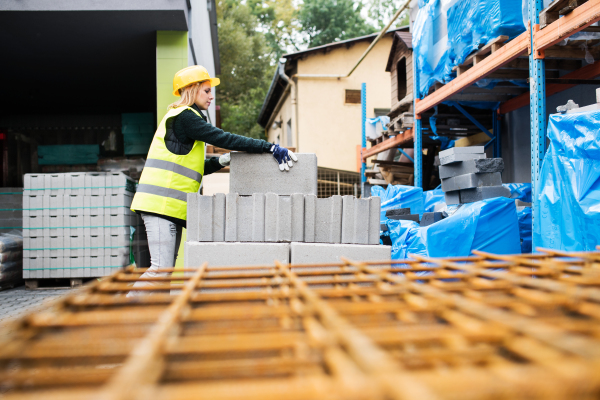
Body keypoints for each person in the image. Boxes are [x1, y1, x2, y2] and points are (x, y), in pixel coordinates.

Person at [128, 65, 297, 295]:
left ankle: (150, 320)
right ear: (192, 89)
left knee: (164, 273)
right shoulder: (185, 116)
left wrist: (223, 161)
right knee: (159, 271)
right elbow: (223, 137)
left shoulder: (184, 119)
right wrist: (269, 146)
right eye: (206, 90)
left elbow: (193, 167)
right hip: (160, 205)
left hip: (168, 207)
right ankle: (120, 313)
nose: (211, 95)